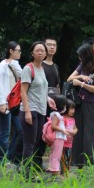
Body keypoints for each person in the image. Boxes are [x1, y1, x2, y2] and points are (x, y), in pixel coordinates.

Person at [19, 41, 56, 178]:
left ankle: (30, 170)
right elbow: (23, 92)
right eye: (37, 50)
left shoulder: (41, 69)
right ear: (32, 53)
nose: (40, 52)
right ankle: (27, 173)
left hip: (41, 110)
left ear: (46, 53)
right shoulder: (28, 69)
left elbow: (42, 89)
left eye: (42, 50)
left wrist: (48, 99)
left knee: (36, 142)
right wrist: (27, 112)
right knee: (29, 143)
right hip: (30, 109)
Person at [68, 42, 94, 167]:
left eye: (81, 56)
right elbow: (69, 79)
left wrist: (82, 84)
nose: (79, 59)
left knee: (92, 134)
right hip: (80, 104)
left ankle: (93, 163)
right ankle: (78, 162)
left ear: (86, 55)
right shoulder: (81, 67)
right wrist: (81, 76)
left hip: (93, 104)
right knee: (79, 134)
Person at [35, 37, 62, 169]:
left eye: (54, 45)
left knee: (53, 133)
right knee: (41, 132)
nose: (51, 47)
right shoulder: (40, 66)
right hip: (42, 103)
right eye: (49, 45)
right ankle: (36, 161)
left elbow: (58, 86)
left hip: (55, 104)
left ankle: (53, 164)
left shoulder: (56, 66)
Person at [0, 41, 23, 165]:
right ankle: (2, 159)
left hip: (14, 103)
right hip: (5, 103)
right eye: (18, 50)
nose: (20, 53)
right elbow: (0, 84)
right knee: (5, 132)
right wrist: (2, 102)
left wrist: (15, 63)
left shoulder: (14, 64)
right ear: (11, 51)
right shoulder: (2, 65)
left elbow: (23, 76)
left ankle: (10, 156)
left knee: (20, 130)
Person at [47, 95, 70, 176]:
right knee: (57, 155)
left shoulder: (54, 114)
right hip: (58, 137)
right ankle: (56, 173)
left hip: (58, 137)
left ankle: (52, 169)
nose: (65, 108)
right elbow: (54, 126)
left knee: (54, 154)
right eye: (65, 105)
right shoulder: (57, 114)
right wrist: (63, 130)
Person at [61, 99, 78, 175]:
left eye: (73, 109)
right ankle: (64, 173)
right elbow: (63, 129)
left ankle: (66, 172)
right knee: (63, 158)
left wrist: (75, 131)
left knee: (68, 157)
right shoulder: (63, 118)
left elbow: (75, 128)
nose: (73, 111)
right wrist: (73, 132)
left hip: (70, 143)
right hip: (63, 143)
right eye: (71, 109)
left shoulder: (73, 119)